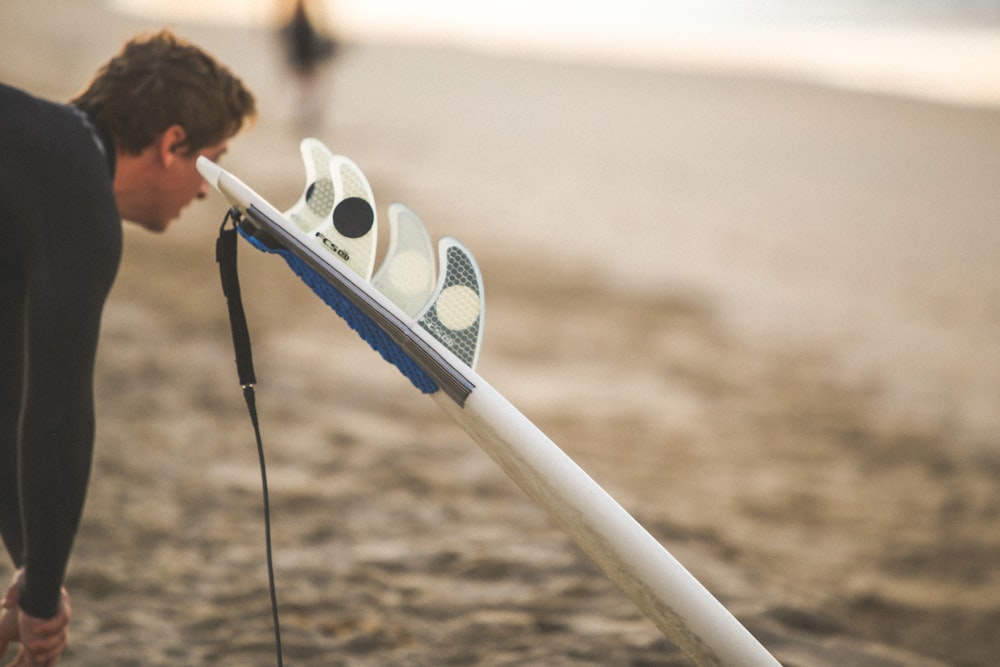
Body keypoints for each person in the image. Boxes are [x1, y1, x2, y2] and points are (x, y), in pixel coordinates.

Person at [0, 30, 256, 665]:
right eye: (211, 161)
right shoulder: (76, 197)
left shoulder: (36, 161)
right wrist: (39, 602)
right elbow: (57, 413)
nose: (205, 192)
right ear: (173, 145)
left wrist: (35, 570)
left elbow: (8, 388)